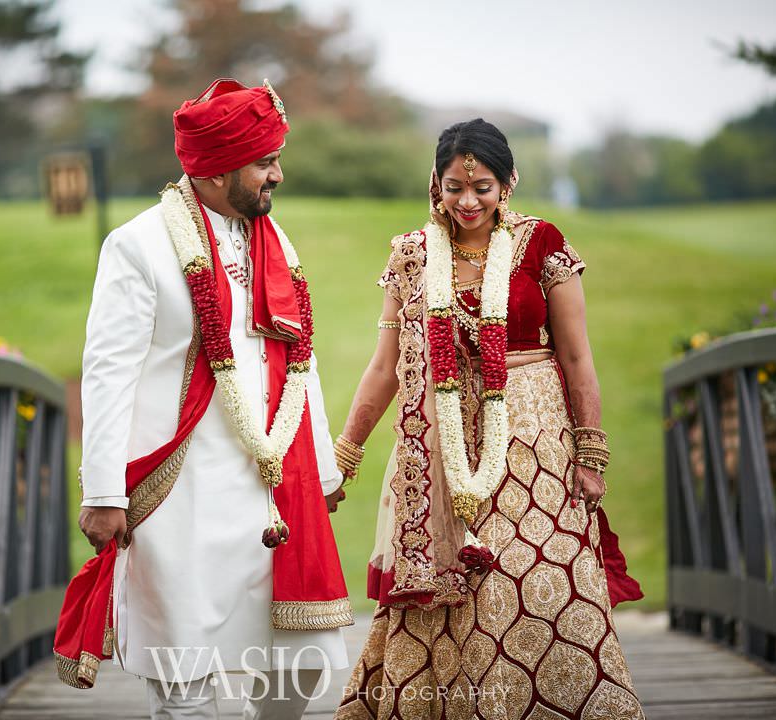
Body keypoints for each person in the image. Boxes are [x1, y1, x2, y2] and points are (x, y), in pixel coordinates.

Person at [56, 78, 352, 720]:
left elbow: (301, 361)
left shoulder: (275, 241)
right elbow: (107, 373)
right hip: (179, 497)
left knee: (295, 670)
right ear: (218, 172)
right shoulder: (139, 247)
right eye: (264, 162)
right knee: (184, 677)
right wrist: (104, 493)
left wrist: (323, 467)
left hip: (270, 492)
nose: (277, 173)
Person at [332, 119, 646, 720]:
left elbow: (576, 354)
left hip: (534, 439)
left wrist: (590, 453)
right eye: (454, 187)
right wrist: (345, 453)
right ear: (436, 184)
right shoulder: (413, 255)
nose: (468, 202)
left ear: (508, 184)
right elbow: (384, 366)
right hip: (440, 442)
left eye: (482, 188)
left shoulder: (542, 244)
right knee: (456, 592)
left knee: (537, 581)